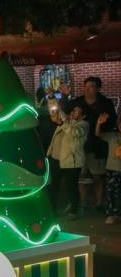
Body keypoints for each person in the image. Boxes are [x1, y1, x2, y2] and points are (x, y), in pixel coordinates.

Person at [60, 77, 118, 210]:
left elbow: (112, 122)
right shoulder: (78, 101)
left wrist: (101, 125)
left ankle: (99, 204)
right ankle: (81, 203)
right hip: (79, 146)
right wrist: (65, 96)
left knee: (97, 175)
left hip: (97, 145)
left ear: (98, 88)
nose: (87, 90)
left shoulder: (105, 103)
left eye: (91, 87)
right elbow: (65, 110)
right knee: (81, 176)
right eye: (85, 87)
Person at [48, 106, 89, 219]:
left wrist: (63, 123)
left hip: (71, 161)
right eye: (74, 110)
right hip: (56, 159)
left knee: (71, 187)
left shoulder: (83, 125)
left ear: (83, 116)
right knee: (53, 186)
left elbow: (73, 133)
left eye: (78, 112)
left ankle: (74, 210)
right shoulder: (66, 122)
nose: (74, 113)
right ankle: (51, 209)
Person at [95, 113, 121, 224]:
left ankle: (117, 214)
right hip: (112, 168)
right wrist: (99, 123)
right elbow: (98, 134)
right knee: (111, 192)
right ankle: (111, 214)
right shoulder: (113, 136)